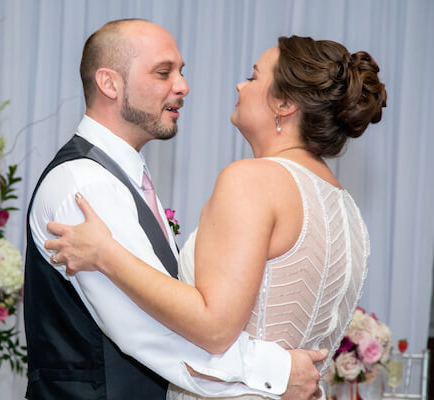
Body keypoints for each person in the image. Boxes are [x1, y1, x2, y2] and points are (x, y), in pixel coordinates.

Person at [44, 34, 387, 400]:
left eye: (254, 77)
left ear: (285, 103)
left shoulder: (253, 180)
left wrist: (105, 254)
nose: (241, 84)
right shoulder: (345, 207)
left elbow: (215, 328)